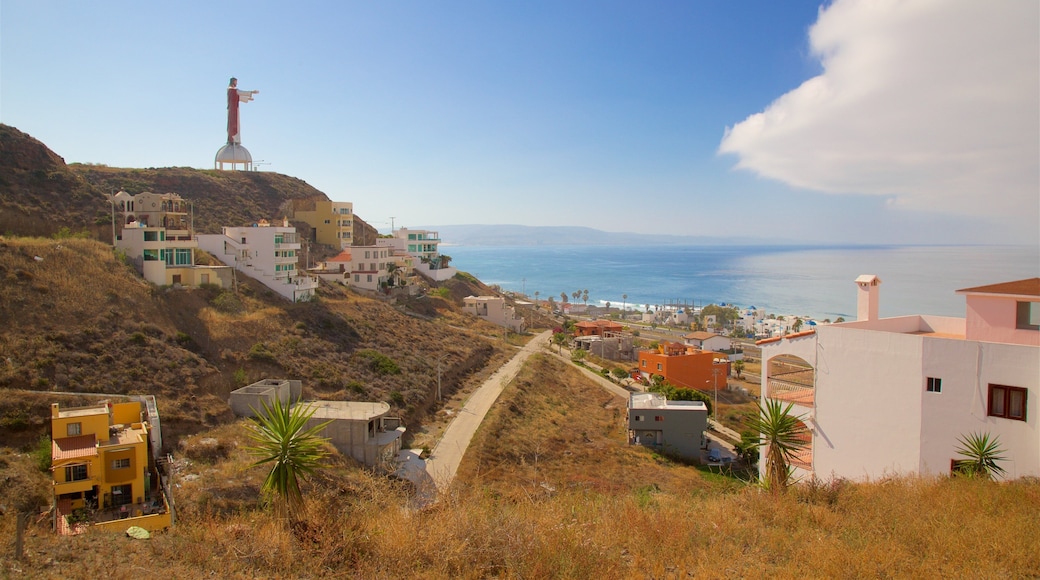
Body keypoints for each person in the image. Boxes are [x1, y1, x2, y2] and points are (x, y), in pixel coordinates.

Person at [226, 77, 259, 144]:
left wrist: (247, 99)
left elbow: (237, 97)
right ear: (233, 82)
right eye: (236, 82)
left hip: (234, 109)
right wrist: (252, 92)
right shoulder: (231, 89)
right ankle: (233, 138)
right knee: (233, 124)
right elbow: (240, 92)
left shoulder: (232, 91)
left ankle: (235, 139)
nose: (236, 83)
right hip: (233, 110)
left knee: (236, 123)